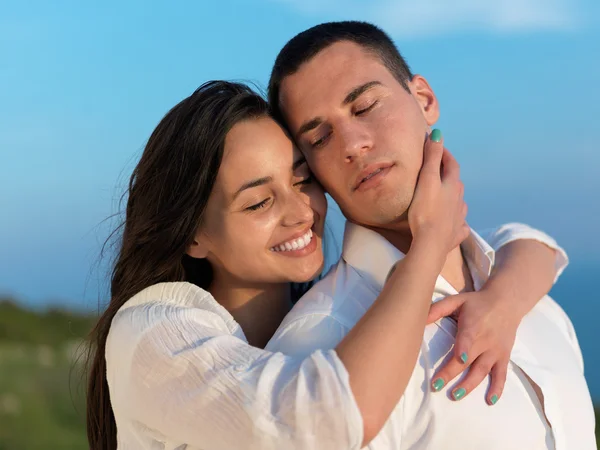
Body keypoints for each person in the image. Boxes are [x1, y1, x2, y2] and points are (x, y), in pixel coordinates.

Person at [86, 81, 566, 450]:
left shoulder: (328, 312)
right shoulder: (153, 328)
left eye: (302, 180)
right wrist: (428, 244)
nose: (300, 212)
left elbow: (524, 242)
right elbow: (323, 419)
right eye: (258, 203)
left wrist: (500, 301)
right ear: (193, 234)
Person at [266, 21, 596, 449]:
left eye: (364, 106)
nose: (351, 143)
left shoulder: (533, 300)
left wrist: (505, 298)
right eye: (320, 136)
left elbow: (531, 243)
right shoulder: (320, 343)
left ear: (424, 99)